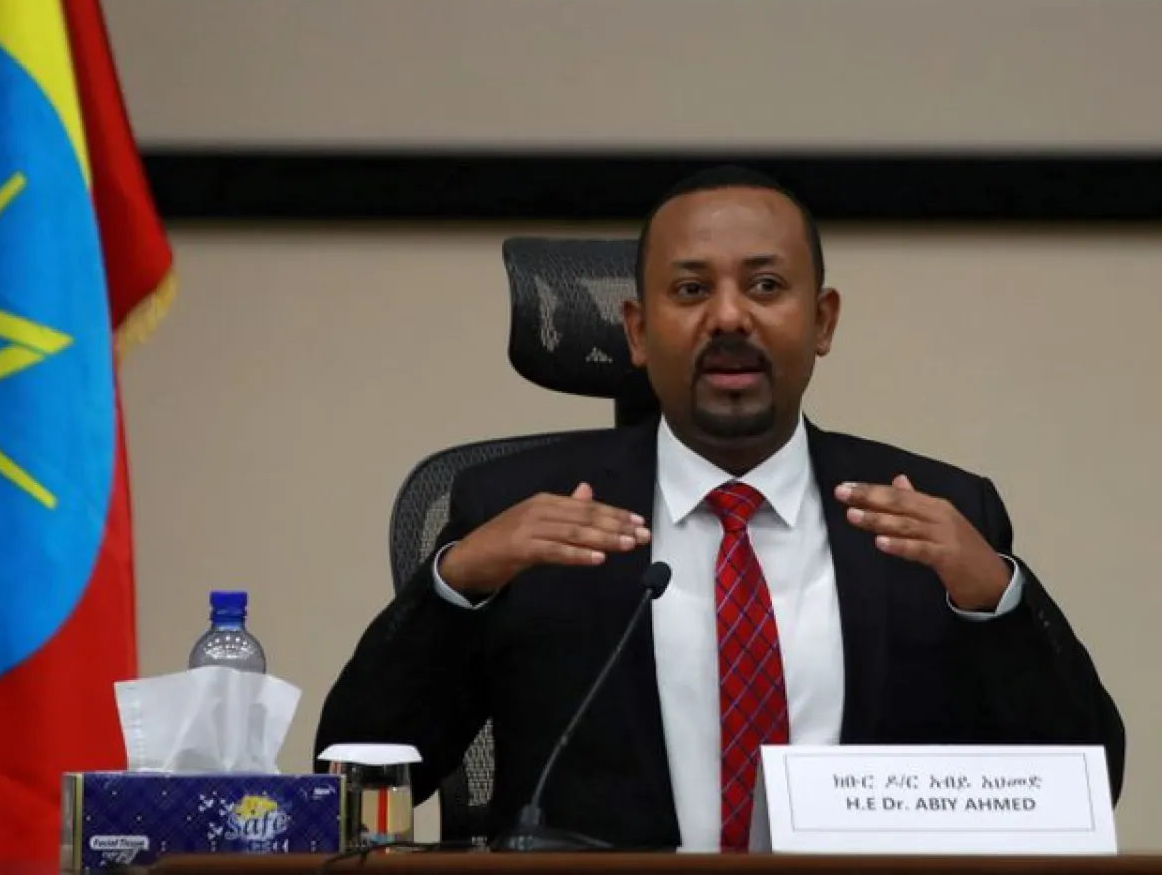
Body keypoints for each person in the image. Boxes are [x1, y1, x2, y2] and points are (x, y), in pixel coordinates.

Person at [314, 166, 1125, 853]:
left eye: (766, 286)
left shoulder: (932, 519)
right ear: (637, 330)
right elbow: (350, 778)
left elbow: (1093, 785)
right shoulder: (518, 515)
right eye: (691, 289)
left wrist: (996, 600)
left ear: (823, 321)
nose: (730, 316)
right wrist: (459, 584)